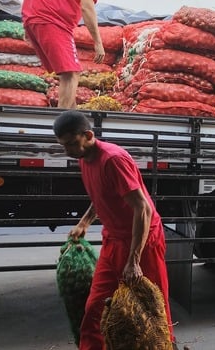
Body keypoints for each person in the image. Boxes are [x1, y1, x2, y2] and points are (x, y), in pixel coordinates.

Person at [53, 111, 174, 350]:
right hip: (113, 240)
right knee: (94, 308)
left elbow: (143, 209)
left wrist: (134, 260)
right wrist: (84, 222)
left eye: (71, 144)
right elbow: (101, 194)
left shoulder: (113, 160)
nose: (67, 151)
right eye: (63, 146)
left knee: (153, 311)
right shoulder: (84, 158)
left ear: (88, 135)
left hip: (143, 241)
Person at [22, 0, 105, 109]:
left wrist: (28, 23)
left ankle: (73, 119)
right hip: (51, 19)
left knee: (69, 75)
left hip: (34, 16)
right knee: (70, 74)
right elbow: (86, 7)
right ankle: (62, 121)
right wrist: (98, 42)